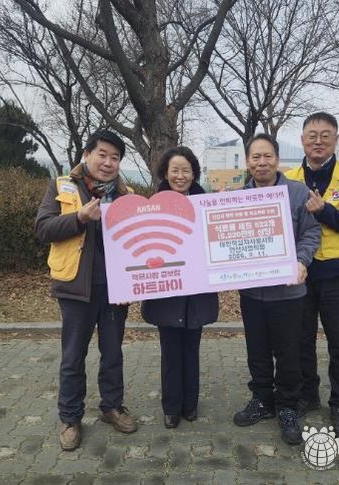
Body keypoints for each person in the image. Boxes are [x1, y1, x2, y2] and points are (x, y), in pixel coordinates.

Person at [35, 130, 138, 451]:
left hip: (115, 290)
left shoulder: (127, 196)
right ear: (87, 154)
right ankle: (70, 418)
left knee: (113, 353)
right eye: (102, 154)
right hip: (76, 287)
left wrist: (135, 281)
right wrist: (79, 217)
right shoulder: (61, 186)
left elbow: (138, 242)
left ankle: (112, 407)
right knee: (73, 356)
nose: (108, 163)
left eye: (115, 157)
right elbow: (43, 229)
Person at [233, 133, 320, 445]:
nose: (262, 162)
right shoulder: (237, 198)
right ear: (247, 162)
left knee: (288, 353)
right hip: (252, 293)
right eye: (255, 157)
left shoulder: (297, 193)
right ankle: (261, 400)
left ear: (277, 159)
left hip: (288, 293)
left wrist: (302, 261)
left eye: (267, 156)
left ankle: (286, 407)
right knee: (256, 351)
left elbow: (311, 233)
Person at [285, 112, 339, 439]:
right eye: (312, 135)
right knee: (301, 339)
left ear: (335, 139)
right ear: (302, 140)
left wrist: (324, 211)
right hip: (300, 273)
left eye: (325, 135)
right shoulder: (288, 179)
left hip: (335, 273)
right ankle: (307, 394)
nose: (318, 141)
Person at [141, 146, 219, 429]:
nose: (180, 176)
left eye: (186, 170)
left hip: (197, 291)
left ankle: (190, 404)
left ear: (194, 174)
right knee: (170, 350)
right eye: (175, 170)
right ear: (165, 173)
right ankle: (171, 407)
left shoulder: (207, 205)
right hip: (167, 290)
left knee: (191, 349)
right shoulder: (151, 206)